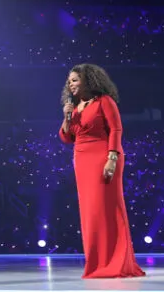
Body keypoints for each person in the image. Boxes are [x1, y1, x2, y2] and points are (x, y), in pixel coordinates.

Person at [59, 63, 145, 279]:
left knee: (107, 208)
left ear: (88, 80)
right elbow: (66, 138)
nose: (71, 84)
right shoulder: (75, 107)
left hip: (104, 156)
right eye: (69, 81)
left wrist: (112, 158)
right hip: (82, 160)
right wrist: (66, 117)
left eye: (75, 79)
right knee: (90, 213)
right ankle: (97, 264)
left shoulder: (103, 101)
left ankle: (117, 262)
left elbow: (116, 128)